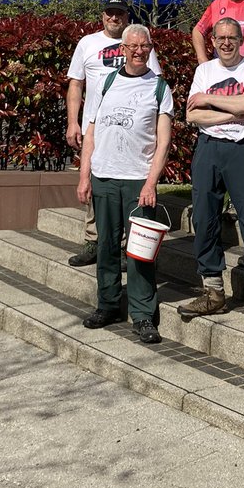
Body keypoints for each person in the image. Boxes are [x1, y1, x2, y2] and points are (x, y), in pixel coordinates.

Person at [178, 18, 244, 332]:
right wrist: (232, 111)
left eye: (231, 38)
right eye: (220, 38)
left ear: (240, 39)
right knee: (205, 218)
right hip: (209, 148)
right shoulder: (204, 70)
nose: (225, 43)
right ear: (213, 41)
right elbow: (191, 115)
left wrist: (209, 99)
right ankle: (213, 290)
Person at [76, 24, 174, 344]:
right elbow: (90, 132)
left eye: (143, 46)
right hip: (104, 176)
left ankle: (143, 314)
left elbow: (163, 143)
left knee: (140, 252)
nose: (137, 51)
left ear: (149, 48)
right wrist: (84, 175)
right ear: (122, 49)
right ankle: (107, 304)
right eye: (131, 46)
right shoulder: (106, 82)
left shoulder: (159, 88)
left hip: (137, 182)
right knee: (105, 247)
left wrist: (150, 184)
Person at [66, 0, 161, 267]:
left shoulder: (140, 43)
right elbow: (76, 84)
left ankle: (120, 246)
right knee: (95, 185)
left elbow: (154, 83)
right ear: (103, 15)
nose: (114, 18)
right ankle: (93, 241)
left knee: (121, 187)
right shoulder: (88, 43)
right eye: (110, 13)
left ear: (126, 16)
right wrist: (73, 121)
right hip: (95, 127)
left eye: (119, 13)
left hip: (129, 131)